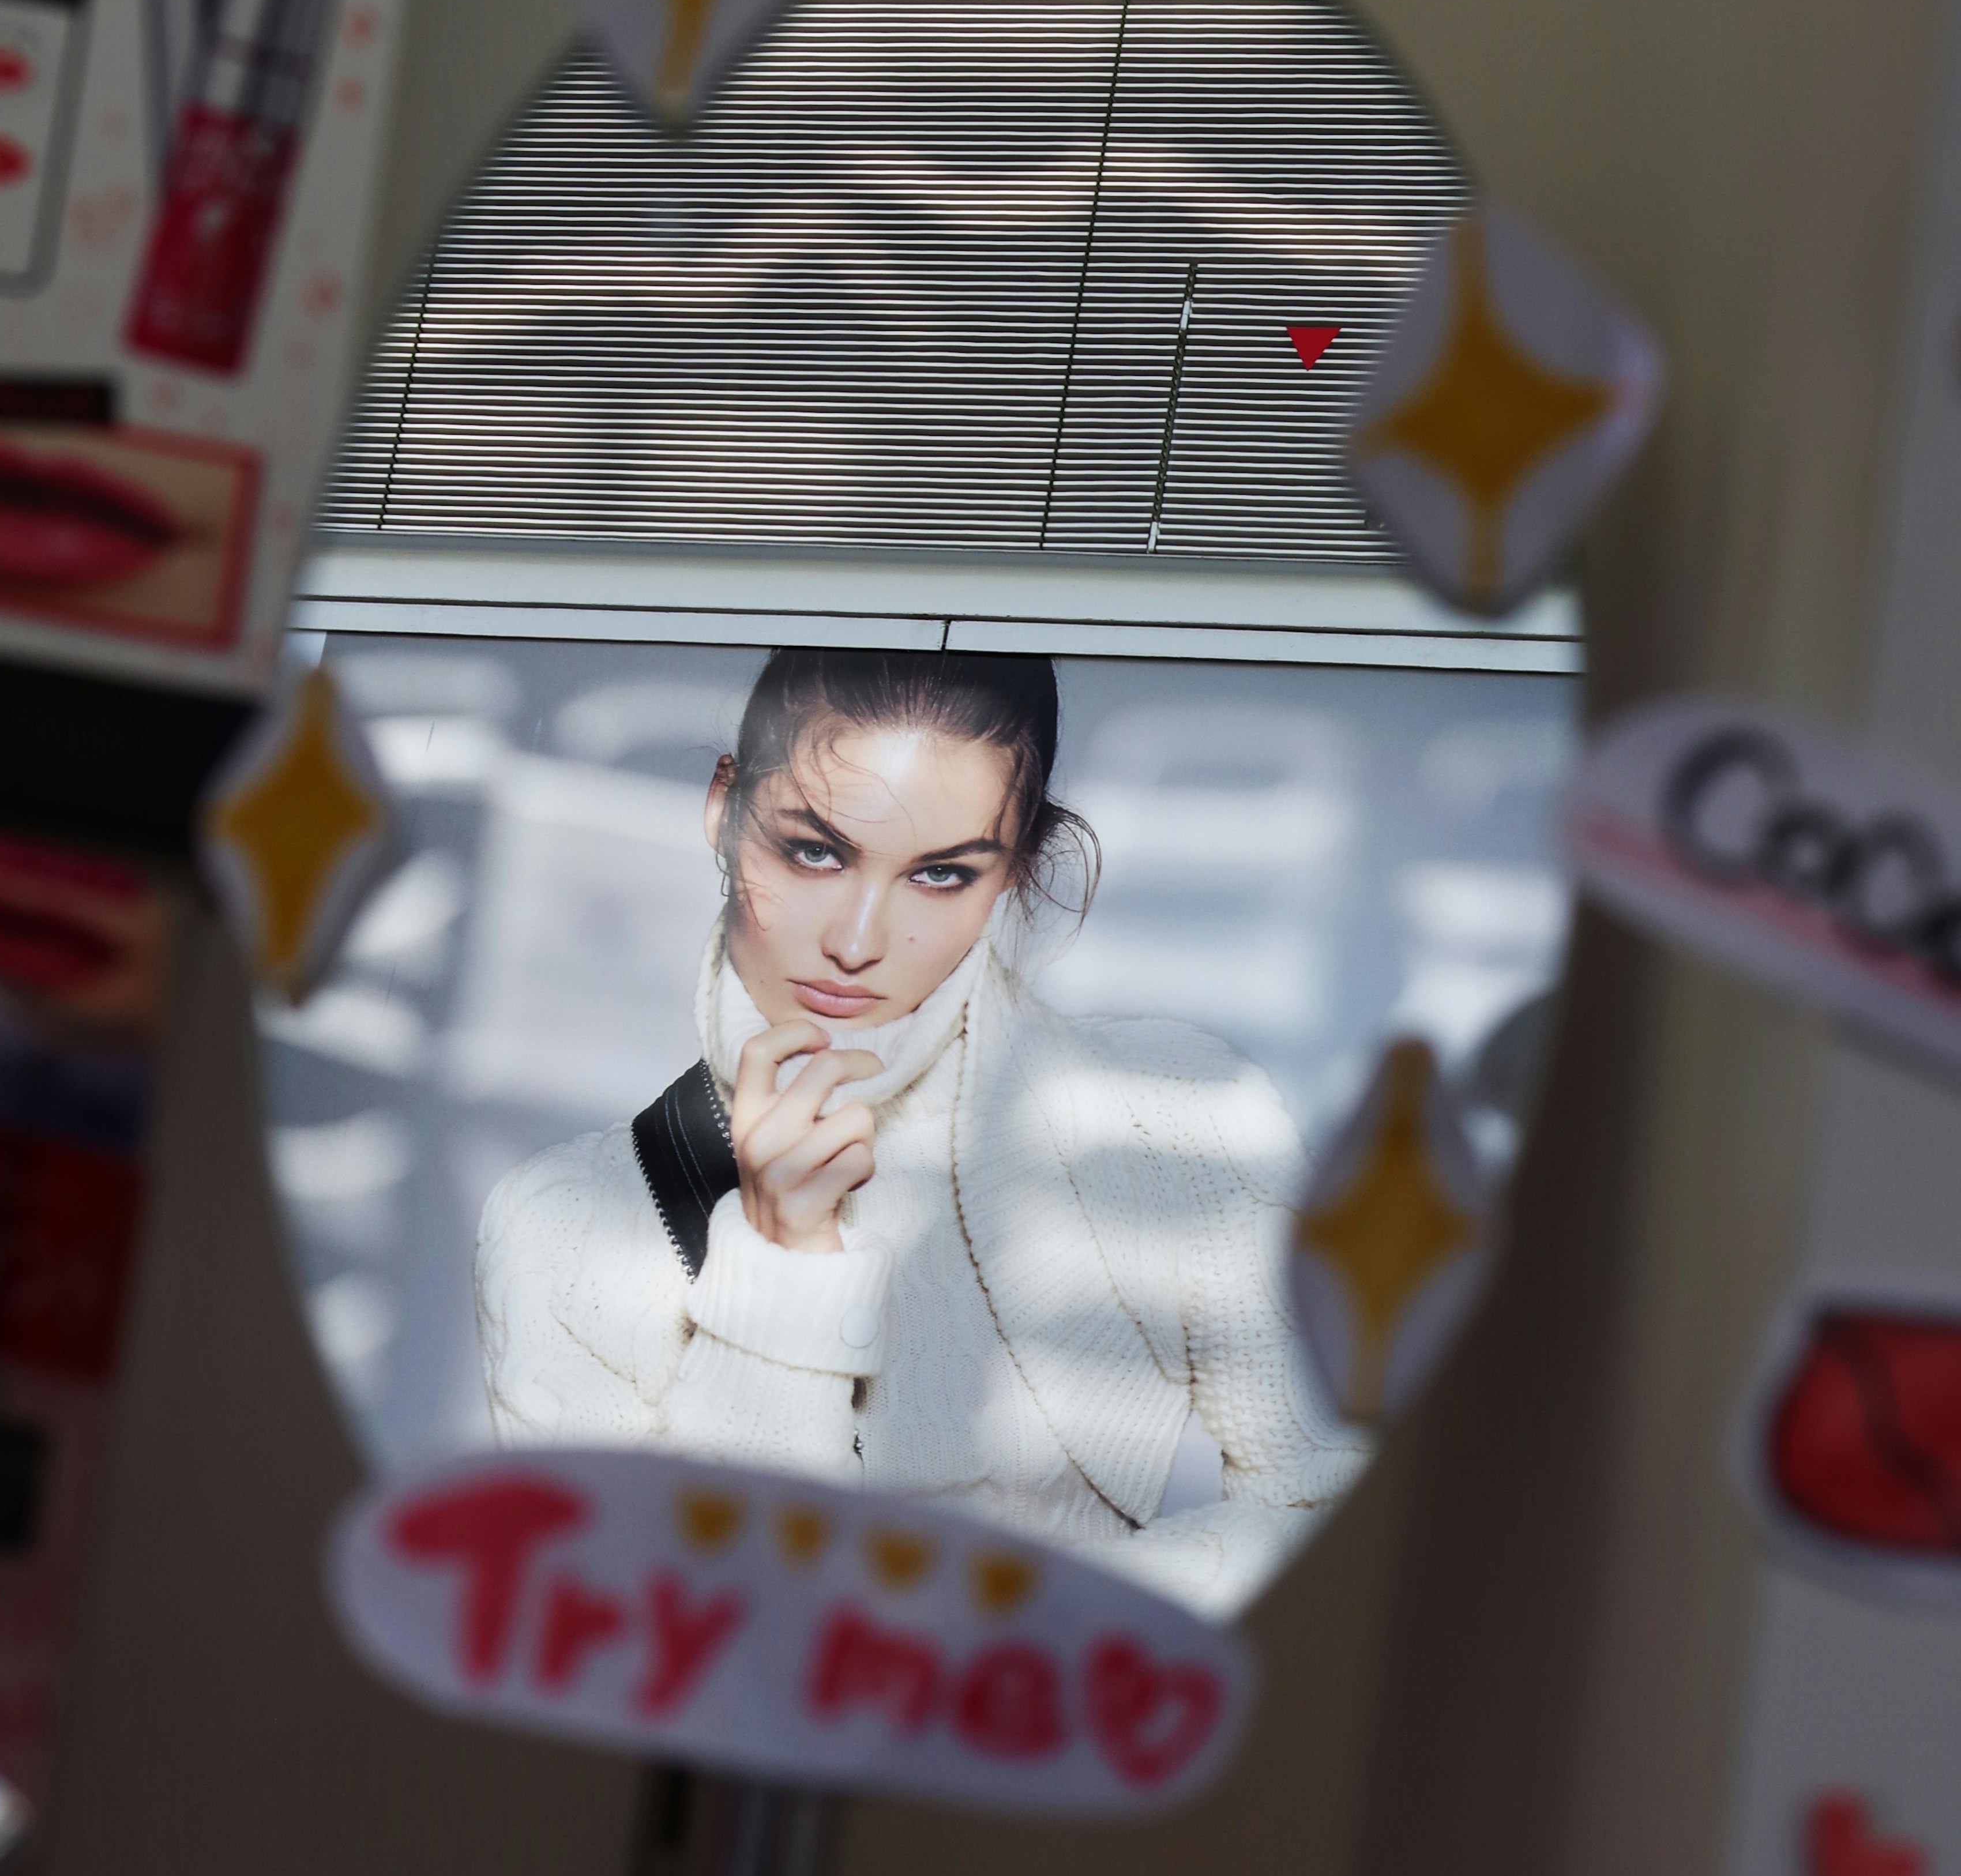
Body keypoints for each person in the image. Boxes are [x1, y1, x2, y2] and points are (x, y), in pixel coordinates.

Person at [474, 649, 1363, 1619]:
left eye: (940, 875)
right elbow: (675, 1641)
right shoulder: (562, 1224)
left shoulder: (1175, 1114)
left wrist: (1036, 1633)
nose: (857, 941)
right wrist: (781, 1263)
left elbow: (1337, 1504)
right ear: (722, 811)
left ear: (1015, 870)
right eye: (815, 851)